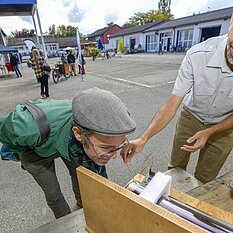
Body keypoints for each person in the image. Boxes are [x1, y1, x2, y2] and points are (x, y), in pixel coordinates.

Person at [122, 17, 233, 184]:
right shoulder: (197, 56)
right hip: (191, 117)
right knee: (175, 169)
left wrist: (210, 131)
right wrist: (144, 138)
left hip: (225, 126)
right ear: (230, 25)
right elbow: (171, 105)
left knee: (206, 178)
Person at [0, 87, 136, 219]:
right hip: (36, 150)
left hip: (67, 141)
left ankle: (82, 204)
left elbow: (97, 176)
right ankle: (66, 222)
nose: (114, 156)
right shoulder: (27, 127)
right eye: (107, 148)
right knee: (53, 194)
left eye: (117, 147)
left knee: (81, 176)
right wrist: (22, 152)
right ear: (78, 133)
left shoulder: (88, 122)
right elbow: (3, 130)